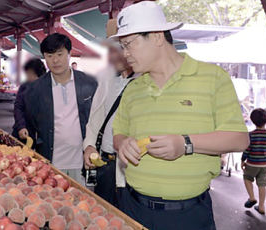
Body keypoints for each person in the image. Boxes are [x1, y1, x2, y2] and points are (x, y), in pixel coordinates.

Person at [111, 2, 249, 229]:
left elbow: (239, 138)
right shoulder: (132, 89)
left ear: (156, 36)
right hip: (133, 208)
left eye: (128, 44)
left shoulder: (212, 78)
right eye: (122, 46)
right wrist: (123, 143)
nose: (125, 54)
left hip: (189, 216)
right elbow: (119, 132)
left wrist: (186, 143)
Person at [26, 33, 97, 184]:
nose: (55, 60)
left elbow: (97, 119)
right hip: (51, 161)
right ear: (44, 57)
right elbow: (31, 123)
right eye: (50, 56)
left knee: (85, 202)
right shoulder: (36, 89)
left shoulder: (89, 83)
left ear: (69, 54)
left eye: (60, 54)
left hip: (82, 162)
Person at [83, 19, 139, 206]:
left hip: (129, 169)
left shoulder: (144, 83)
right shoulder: (108, 80)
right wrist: (89, 146)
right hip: (104, 164)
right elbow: (95, 119)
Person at [242, 108, 266, 215]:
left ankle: (252, 198)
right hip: (265, 164)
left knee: (247, 178)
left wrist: (243, 160)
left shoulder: (251, 135)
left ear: (252, 120)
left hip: (252, 163)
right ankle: (261, 206)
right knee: (262, 185)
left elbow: (247, 149)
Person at [12, 58, 46, 141]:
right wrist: (21, 126)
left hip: (41, 135)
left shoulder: (47, 88)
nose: (27, 76)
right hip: (23, 130)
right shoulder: (24, 87)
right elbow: (18, 107)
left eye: (28, 74)